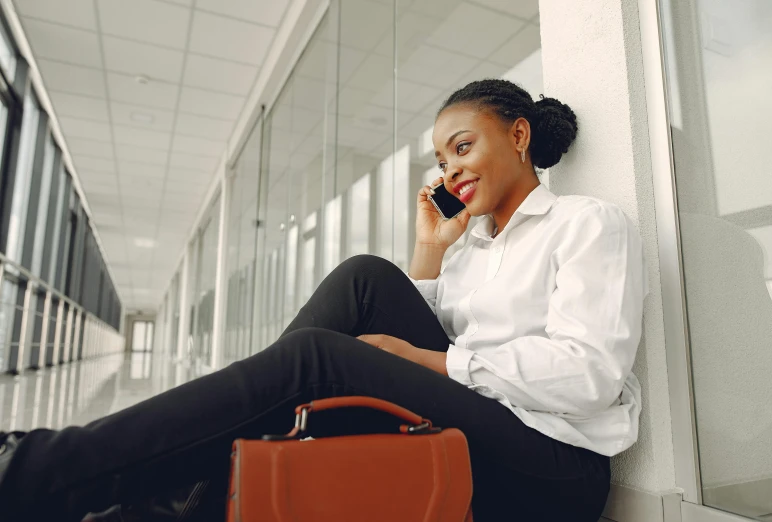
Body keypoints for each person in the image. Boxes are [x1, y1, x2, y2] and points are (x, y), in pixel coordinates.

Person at [0, 79, 646, 522]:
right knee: (365, 274)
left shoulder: (585, 223)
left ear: (519, 136)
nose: (448, 170)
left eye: (462, 147)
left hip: (551, 472)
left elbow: (588, 376)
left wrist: (431, 364)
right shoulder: (475, 245)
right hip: (483, 426)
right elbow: (432, 327)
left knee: (314, 358)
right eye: (440, 159)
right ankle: (176, 492)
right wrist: (432, 247)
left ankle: (41, 471)